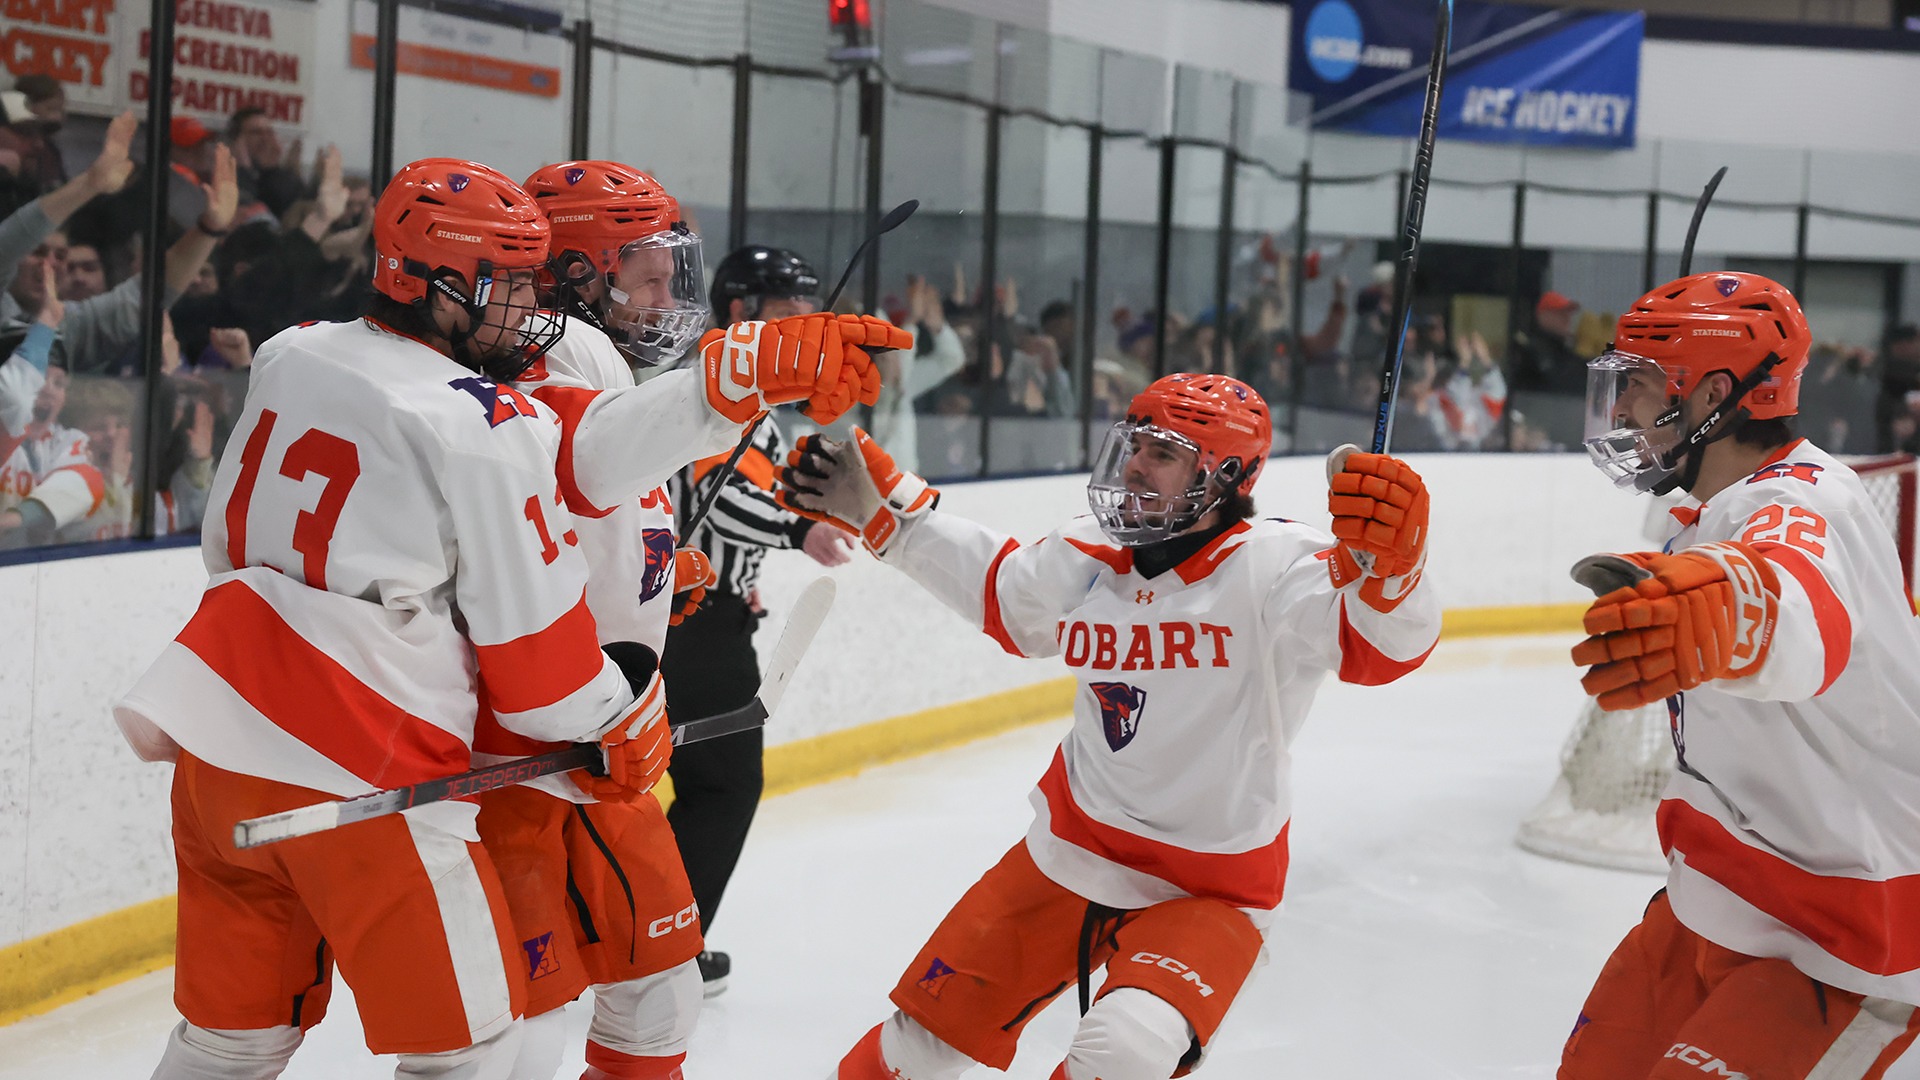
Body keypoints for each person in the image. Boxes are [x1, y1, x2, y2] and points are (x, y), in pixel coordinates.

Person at [108, 158, 679, 1080]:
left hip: (216, 746)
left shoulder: (293, 350)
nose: (530, 308)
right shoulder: (478, 423)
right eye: (510, 284)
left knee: (232, 1042)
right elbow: (543, 672)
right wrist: (623, 719)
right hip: (361, 768)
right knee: (472, 1048)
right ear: (442, 286)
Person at [778, 373, 1441, 1080]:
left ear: (1225, 476)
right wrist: (891, 521)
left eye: (1164, 454)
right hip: (1070, 851)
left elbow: (1377, 651)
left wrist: (1395, 576)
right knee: (912, 1048)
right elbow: (1004, 596)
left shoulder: (1280, 568)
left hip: (1210, 890)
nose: (1133, 465)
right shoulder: (1088, 552)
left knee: (1120, 1055)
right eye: (1134, 444)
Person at [473, 157, 903, 1080]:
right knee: (526, 1027)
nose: (674, 294)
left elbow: (591, 510)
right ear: (578, 274)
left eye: (679, 270)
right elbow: (558, 503)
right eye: (652, 273)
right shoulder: (553, 363)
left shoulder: (599, 363)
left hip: (597, 726)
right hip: (541, 740)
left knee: (657, 993)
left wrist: (652, 569)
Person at [1561, 271, 1920, 1078]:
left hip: (1844, 940)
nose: (1621, 411)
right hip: (1717, 904)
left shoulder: (1806, 504)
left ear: (1716, 394)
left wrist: (1731, 612)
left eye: (1642, 386)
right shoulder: (1716, 507)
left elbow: (1798, 608)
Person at [661, 242, 869, 996]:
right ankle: (662, 953)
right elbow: (716, 491)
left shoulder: (742, 395)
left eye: (811, 314)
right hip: (692, 627)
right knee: (723, 787)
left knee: (697, 787)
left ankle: (644, 941)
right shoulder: (719, 390)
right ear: (743, 311)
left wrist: (746, 569)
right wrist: (796, 528)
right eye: (789, 314)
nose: (806, 327)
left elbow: (731, 498)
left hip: (699, 615)